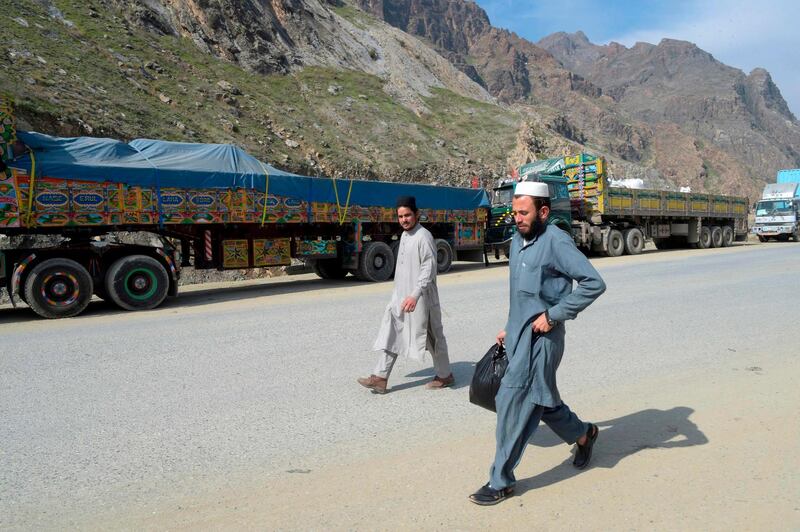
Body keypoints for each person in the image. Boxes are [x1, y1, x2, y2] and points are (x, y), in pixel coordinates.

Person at [469, 180, 606, 505]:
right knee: (541, 402)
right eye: (514, 212)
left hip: (542, 341)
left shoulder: (556, 242)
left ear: (543, 212)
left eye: (523, 212)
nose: (516, 218)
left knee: (512, 404)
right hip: (519, 336)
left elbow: (593, 283)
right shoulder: (518, 240)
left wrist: (555, 313)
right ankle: (584, 434)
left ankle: (500, 481)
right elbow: (521, 293)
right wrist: (510, 326)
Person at [357, 195, 454, 394]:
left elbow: (428, 268)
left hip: (422, 300)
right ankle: (380, 377)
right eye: (400, 216)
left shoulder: (423, 236)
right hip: (402, 299)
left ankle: (445, 375)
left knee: (434, 336)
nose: (404, 220)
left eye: (407, 215)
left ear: (416, 214)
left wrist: (415, 295)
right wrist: (398, 297)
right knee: (393, 332)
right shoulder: (404, 235)